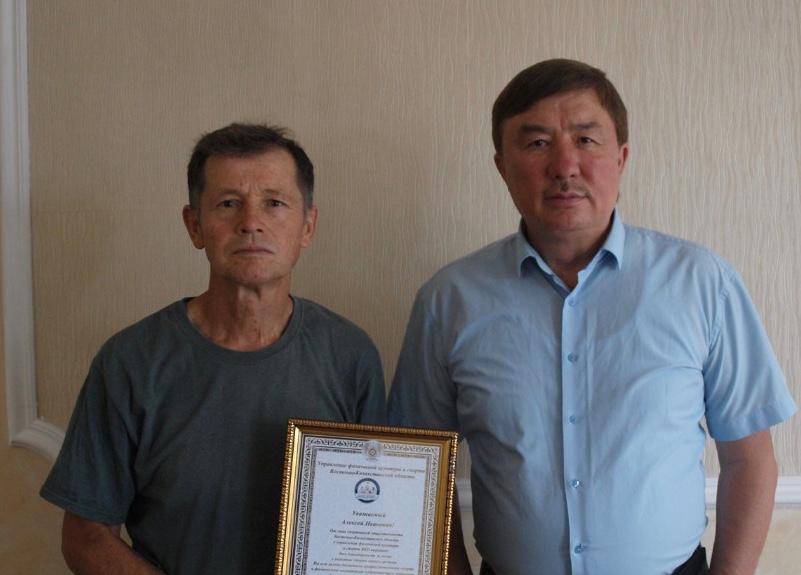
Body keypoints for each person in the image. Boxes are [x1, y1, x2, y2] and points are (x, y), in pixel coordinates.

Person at [388, 59, 796, 575]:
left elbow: (749, 458)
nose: (565, 166)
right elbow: (419, 469)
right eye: (537, 143)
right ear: (502, 166)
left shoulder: (702, 283)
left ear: (621, 157)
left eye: (585, 139)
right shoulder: (448, 300)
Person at [41, 123, 387, 574]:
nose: (251, 222)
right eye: (228, 204)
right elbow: (86, 538)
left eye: (274, 203)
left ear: (308, 226)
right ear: (195, 226)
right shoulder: (129, 362)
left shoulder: (350, 355)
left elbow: (373, 517)